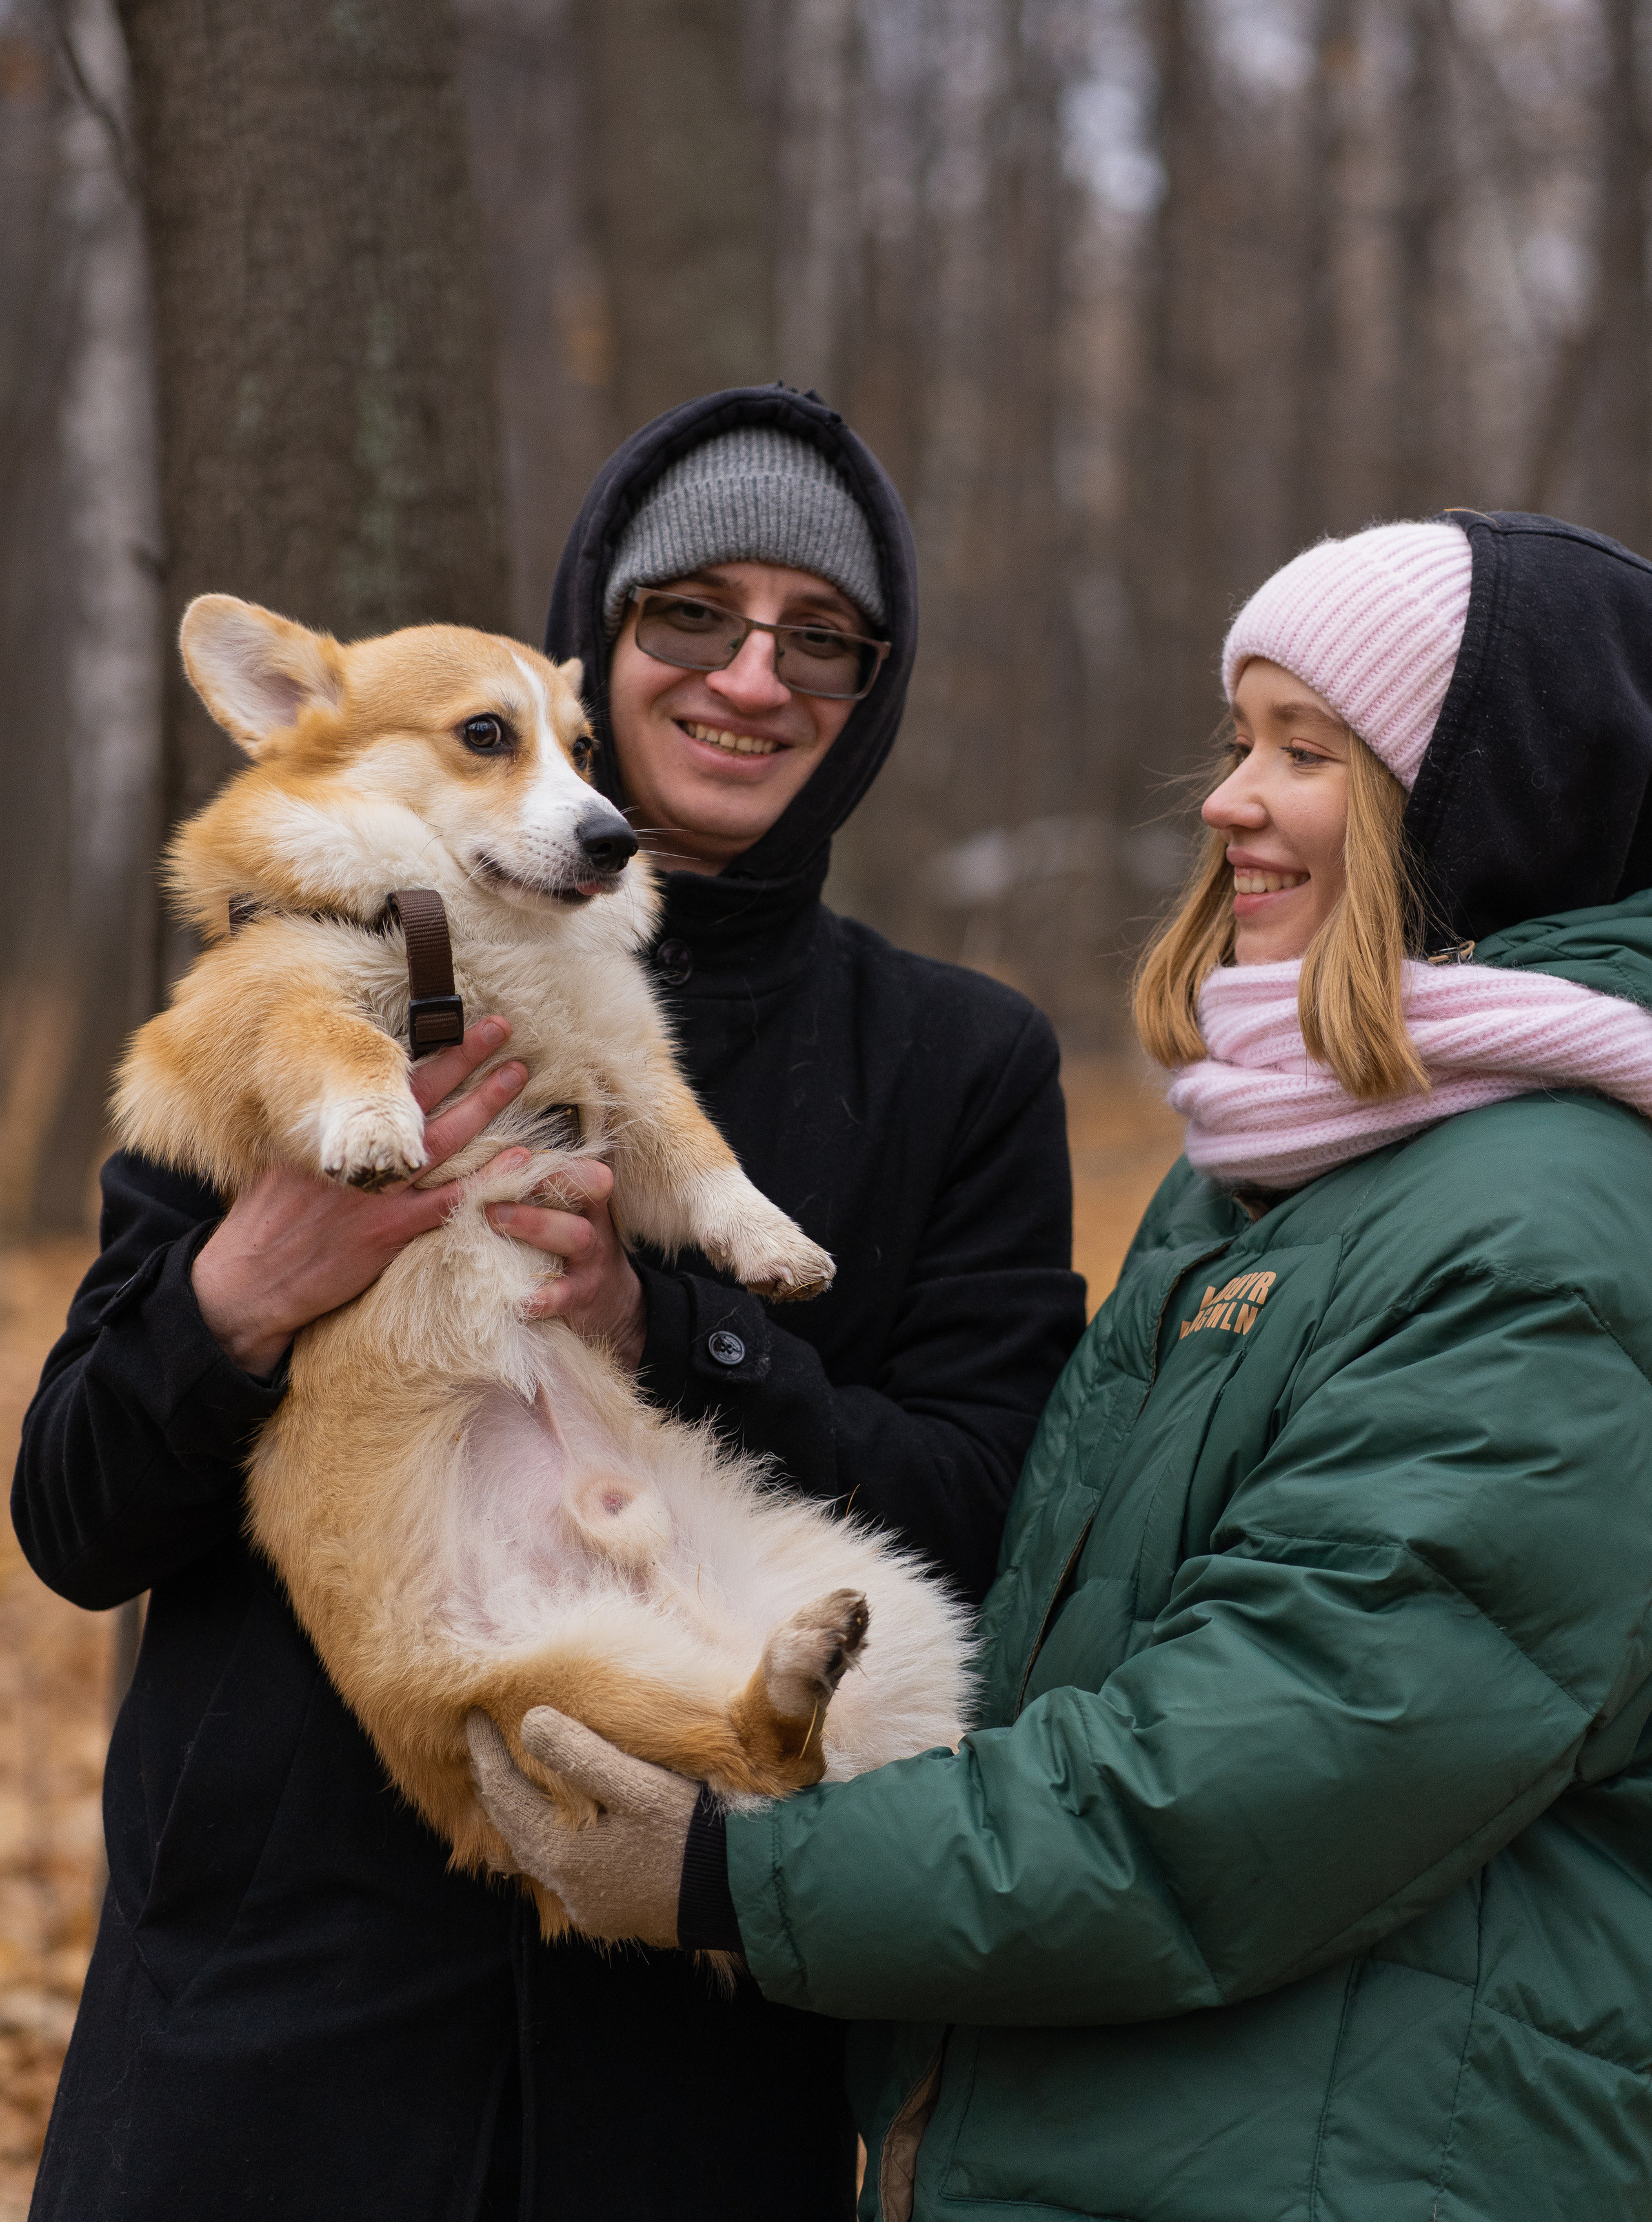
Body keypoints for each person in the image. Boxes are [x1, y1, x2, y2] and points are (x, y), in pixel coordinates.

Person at [473, 508, 1652, 2222]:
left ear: (1487, 809)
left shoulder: (1550, 1234)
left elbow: (1253, 1780)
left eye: (1305, 751)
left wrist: (741, 1872)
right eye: (1240, 738)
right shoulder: (1288, 1170)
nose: (1230, 799)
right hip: (1172, 2130)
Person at [12, 383, 1084, 2222]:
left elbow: (990, 1511)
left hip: (683, 2068)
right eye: (693, 615)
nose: (754, 676)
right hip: (274, 2026)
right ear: (599, 634)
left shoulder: (953, 1062)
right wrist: (244, 1294)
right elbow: (75, 1514)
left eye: (820, 639)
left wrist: (674, 1334)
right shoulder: (298, 976)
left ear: (868, 698)